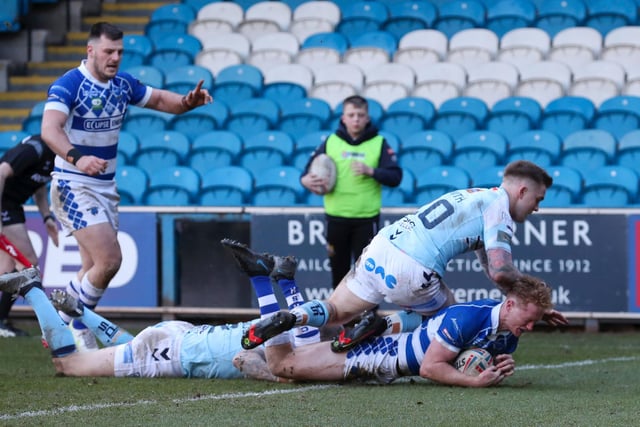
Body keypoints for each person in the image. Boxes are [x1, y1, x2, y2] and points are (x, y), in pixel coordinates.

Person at [242, 160, 569, 352]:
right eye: (537, 199)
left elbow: (490, 267)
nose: (537, 207)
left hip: (382, 246)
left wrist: (528, 302)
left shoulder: (479, 196)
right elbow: (501, 271)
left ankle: (292, 317)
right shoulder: (500, 210)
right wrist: (536, 294)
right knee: (450, 319)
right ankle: (380, 325)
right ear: (522, 191)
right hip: (415, 265)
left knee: (336, 311)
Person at [39, 22, 212, 350]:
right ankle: (76, 325)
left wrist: (188, 101)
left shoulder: (121, 85)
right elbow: (50, 129)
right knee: (110, 260)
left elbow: (162, 100)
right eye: (108, 51)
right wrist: (78, 158)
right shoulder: (69, 85)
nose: (115, 57)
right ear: (91, 50)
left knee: (92, 267)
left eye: (120, 52)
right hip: (74, 183)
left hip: (105, 186)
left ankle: (57, 326)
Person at [224, 241, 555, 387]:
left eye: (535, 321)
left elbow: (470, 359)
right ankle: (263, 284)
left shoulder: (508, 335)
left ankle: (288, 291)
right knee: (284, 366)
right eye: (529, 317)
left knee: (288, 368)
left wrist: (497, 367)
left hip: (393, 346)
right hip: (380, 356)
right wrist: (475, 383)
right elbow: (430, 368)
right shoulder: (468, 316)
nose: (530, 326)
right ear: (509, 304)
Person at [0, 248, 310, 380]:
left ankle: (79, 312)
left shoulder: (290, 330)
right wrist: (282, 376)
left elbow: (247, 355)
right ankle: (32, 289)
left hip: (178, 338)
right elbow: (242, 359)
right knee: (68, 365)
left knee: (120, 349)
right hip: (174, 350)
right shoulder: (287, 348)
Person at [300, 95, 402, 289]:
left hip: (366, 219)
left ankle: (368, 318)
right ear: (343, 118)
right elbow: (306, 173)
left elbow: (395, 177)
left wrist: (371, 171)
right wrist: (305, 180)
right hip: (335, 218)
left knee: (368, 273)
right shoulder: (330, 142)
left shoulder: (379, 143)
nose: (356, 119)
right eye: (351, 114)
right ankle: (341, 318)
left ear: (367, 118)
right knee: (338, 272)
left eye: (360, 115)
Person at [0, 134, 58, 337]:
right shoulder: (34, 149)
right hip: (4, 205)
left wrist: (47, 217)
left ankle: (1, 322)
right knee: (28, 264)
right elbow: (0, 172)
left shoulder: (56, 156)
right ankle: (51, 326)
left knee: (8, 269)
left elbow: (39, 187)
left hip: (13, 206)